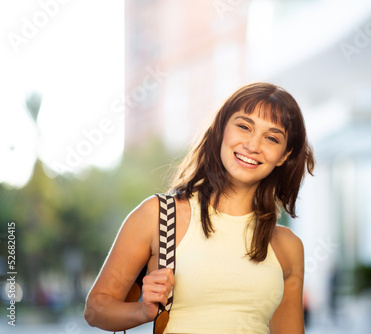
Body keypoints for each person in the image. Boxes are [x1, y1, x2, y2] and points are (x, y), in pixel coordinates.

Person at [84, 82, 315, 333]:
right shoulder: (159, 216)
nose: (253, 145)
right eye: (244, 126)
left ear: (284, 155)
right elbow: (96, 309)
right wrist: (143, 311)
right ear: (221, 129)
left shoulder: (288, 247)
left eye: (271, 137)